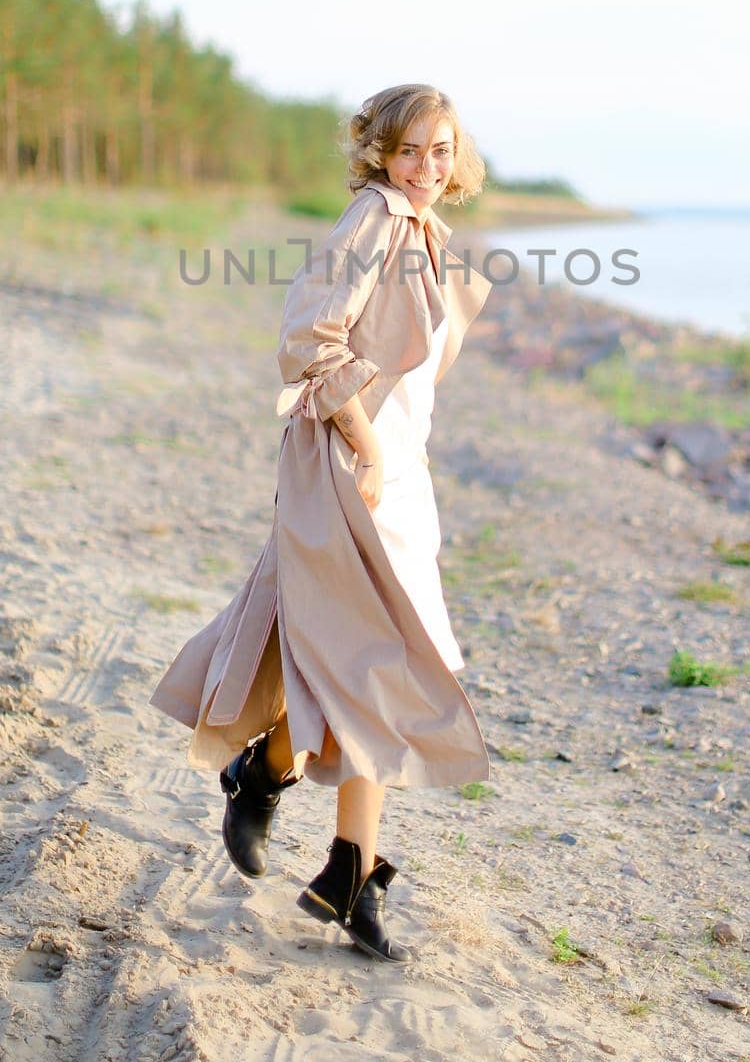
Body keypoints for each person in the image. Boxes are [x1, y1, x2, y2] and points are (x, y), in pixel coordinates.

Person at [148, 83, 493, 963]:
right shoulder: (373, 218)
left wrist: (394, 453)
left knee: (376, 663)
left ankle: (341, 857)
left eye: (441, 151)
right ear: (380, 153)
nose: (425, 167)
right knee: (362, 659)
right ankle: (271, 782)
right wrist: (368, 449)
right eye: (410, 150)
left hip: (398, 469)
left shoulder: (425, 233)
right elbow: (308, 341)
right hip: (352, 462)